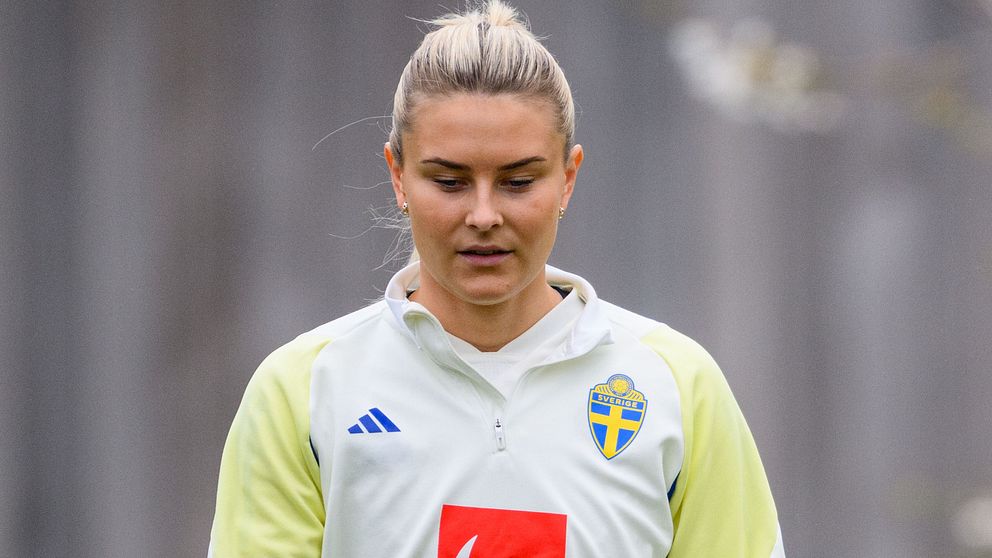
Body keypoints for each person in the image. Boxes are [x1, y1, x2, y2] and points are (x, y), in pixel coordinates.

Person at [209, 1, 785, 556]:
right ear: (398, 176)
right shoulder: (303, 391)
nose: (483, 215)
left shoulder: (678, 386)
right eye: (450, 181)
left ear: (567, 178)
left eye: (518, 181)